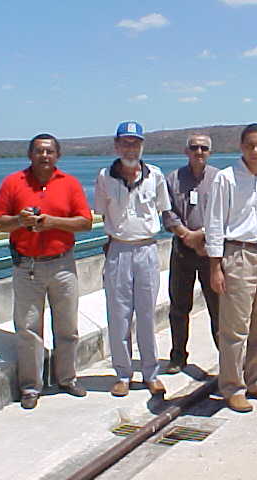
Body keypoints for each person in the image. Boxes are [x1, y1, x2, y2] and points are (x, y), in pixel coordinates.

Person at [0, 133, 92, 409]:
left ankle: (67, 378)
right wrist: (19, 220)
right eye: (39, 151)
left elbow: (85, 223)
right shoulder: (13, 182)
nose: (44, 156)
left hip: (62, 265)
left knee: (67, 327)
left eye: (49, 151)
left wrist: (53, 223)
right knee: (28, 329)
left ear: (57, 155)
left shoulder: (69, 184)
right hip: (27, 267)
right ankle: (30, 387)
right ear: (30, 155)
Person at [205, 123, 257, 413]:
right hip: (238, 254)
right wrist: (215, 267)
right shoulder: (225, 178)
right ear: (241, 146)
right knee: (235, 328)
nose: (255, 150)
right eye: (250, 145)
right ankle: (232, 387)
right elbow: (214, 223)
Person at [94, 121, 171, 398]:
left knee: (148, 314)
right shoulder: (104, 177)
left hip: (147, 249)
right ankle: (123, 375)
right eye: (125, 143)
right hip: (119, 249)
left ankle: (151, 374)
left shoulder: (155, 175)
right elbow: (102, 212)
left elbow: (162, 209)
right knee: (119, 315)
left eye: (135, 143)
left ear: (142, 146)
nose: (130, 148)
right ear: (116, 146)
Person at [162, 134, 220, 374]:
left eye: (204, 148)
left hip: (211, 251)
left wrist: (203, 235)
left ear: (210, 152)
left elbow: (225, 213)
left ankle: (227, 357)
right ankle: (178, 356)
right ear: (186, 151)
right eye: (194, 147)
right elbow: (167, 213)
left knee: (218, 308)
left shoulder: (219, 179)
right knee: (179, 307)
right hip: (182, 251)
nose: (199, 152)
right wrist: (187, 235)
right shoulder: (172, 179)